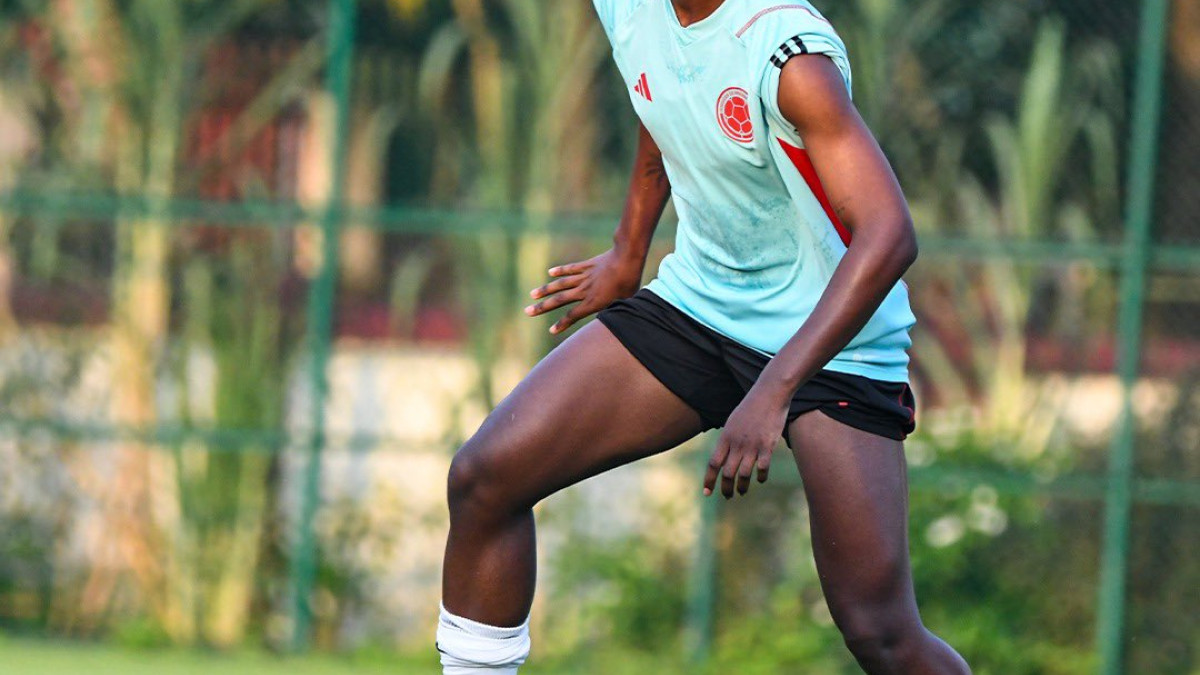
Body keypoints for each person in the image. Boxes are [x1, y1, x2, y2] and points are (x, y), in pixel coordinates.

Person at [435, 0, 972, 672]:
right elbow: (656, 90)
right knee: (486, 477)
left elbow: (890, 234)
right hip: (701, 304)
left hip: (833, 337)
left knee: (879, 631)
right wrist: (627, 252)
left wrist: (775, 389)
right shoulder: (630, 9)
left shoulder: (787, 56)